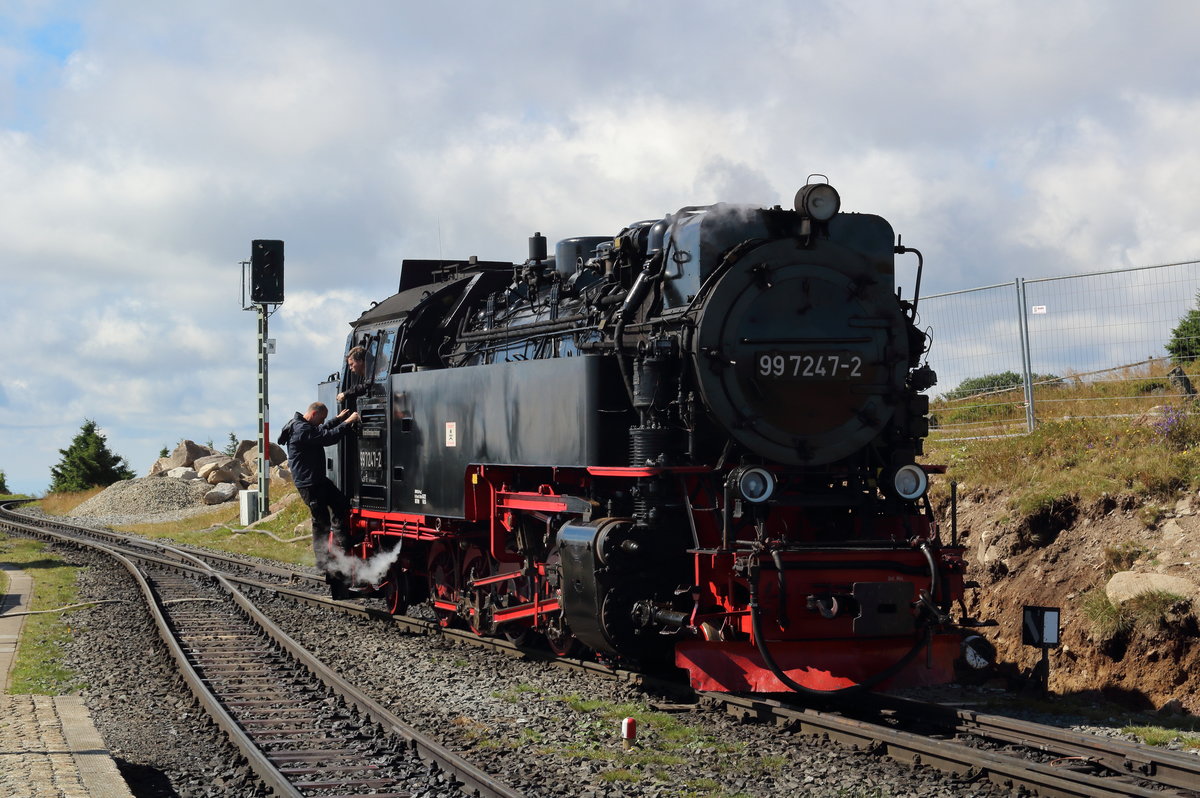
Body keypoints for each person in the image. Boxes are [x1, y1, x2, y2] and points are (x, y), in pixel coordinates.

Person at [278, 401, 360, 599]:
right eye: (321, 417)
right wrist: (348, 423)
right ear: (314, 413)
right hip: (309, 484)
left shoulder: (302, 425)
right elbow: (325, 437)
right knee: (320, 521)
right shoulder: (300, 429)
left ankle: (344, 542)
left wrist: (337, 420)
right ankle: (324, 562)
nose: (322, 421)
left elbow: (321, 429)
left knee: (341, 504)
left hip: (317, 479)